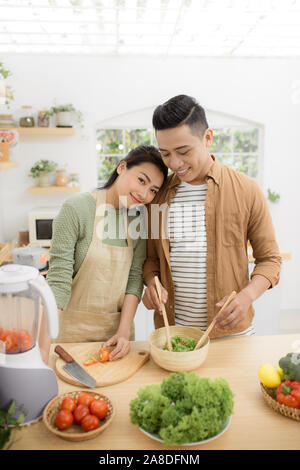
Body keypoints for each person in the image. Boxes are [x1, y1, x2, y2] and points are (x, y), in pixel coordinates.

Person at [142, 95, 281, 338]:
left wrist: (247, 296)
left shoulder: (247, 190)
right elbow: (151, 259)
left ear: (207, 138)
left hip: (231, 335)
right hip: (174, 335)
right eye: (165, 154)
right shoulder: (158, 195)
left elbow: (270, 260)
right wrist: (151, 282)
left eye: (183, 151)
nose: (175, 163)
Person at [43, 145, 168, 362]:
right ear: (122, 167)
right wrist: (43, 347)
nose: (144, 193)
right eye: (141, 180)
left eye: (153, 190)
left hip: (117, 339)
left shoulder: (137, 221)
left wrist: (123, 332)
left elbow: (134, 279)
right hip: (70, 337)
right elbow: (58, 280)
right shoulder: (76, 209)